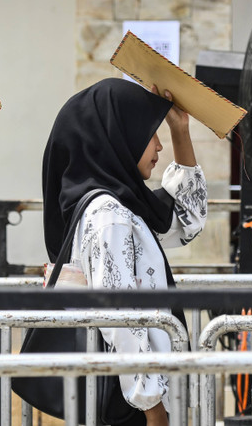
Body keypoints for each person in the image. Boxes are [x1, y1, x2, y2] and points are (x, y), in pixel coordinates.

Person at [42, 78, 207, 425]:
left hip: (133, 396)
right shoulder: (109, 216)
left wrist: (181, 131)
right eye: (150, 133)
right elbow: (121, 319)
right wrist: (152, 407)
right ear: (118, 136)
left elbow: (187, 218)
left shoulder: (119, 206)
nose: (159, 146)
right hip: (134, 406)